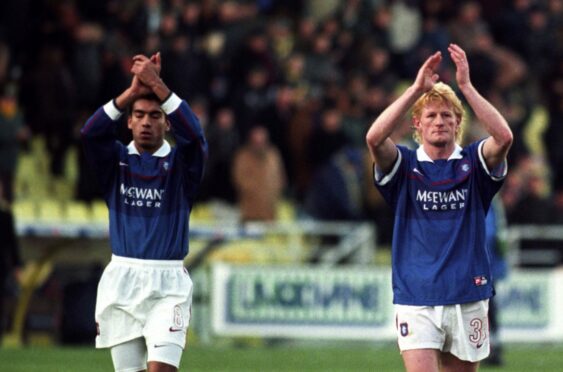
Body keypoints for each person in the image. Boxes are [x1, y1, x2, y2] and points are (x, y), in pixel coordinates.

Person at [365, 43, 513, 372]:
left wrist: (467, 87)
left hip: (468, 293)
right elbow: (374, 138)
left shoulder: (474, 163)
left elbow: (503, 137)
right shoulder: (403, 166)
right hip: (416, 296)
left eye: (447, 115)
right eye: (430, 115)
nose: (439, 121)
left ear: (457, 122)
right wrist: (415, 89)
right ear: (417, 124)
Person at [80, 52, 207, 372]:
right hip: (122, 280)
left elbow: (195, 136)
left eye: (155, 115)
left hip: (168, 285)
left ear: (167, 122)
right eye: (139, 114)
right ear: (129, 120)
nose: (147, 122)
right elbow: (90, 133)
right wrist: (131, 92)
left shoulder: (181, 167)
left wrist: (158, 85)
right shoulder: (116, 163)